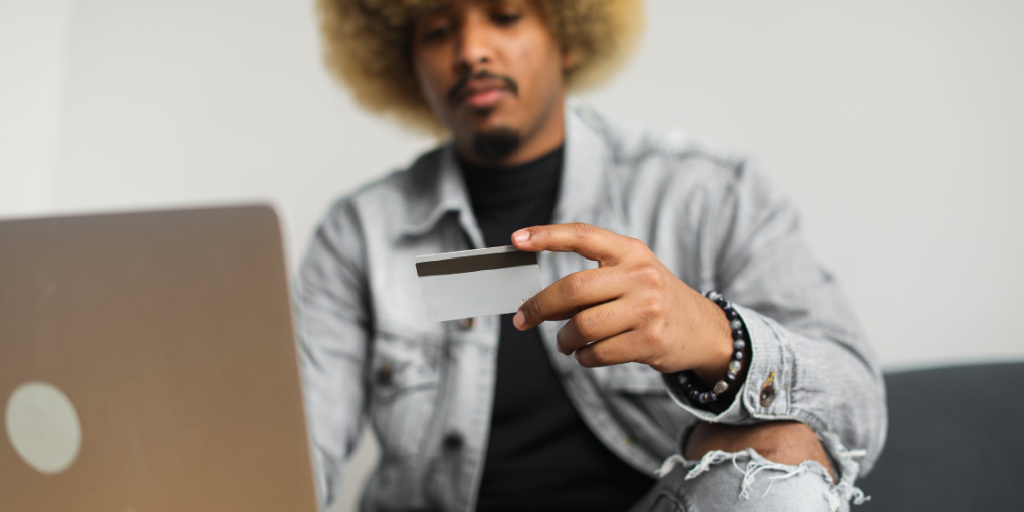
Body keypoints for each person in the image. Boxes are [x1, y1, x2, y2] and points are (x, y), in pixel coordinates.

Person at [296, 1, 886, 510]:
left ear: (568, 34)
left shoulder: (708, 194)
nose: (471, 49)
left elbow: (857, 403)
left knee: (783, 451)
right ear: (407, 64)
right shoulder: (361, 234)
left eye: (505, 16)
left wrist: (713, 336)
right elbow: (302, 450)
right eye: (437, 30)